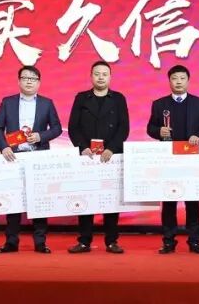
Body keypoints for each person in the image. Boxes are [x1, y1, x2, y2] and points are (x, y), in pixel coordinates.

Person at [0, 65, 63, 254]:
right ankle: (11, 242)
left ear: (39, 83)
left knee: (39, 200)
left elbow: (57, 128)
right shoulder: (8, 102)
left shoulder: (47, 103)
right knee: (13, 200)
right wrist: (4, 147)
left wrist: (41, 136)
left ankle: (40, 242)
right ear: (19, 81)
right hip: (14, 157)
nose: (29, 81)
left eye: (33, 78)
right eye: (25, 78)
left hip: (38, 158)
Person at [146, 65, 199, 254]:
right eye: (175, 78)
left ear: (188, 81)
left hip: (191, 159)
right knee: (169, 200)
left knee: (192, 201)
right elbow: (150, 128)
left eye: (182, 78)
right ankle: (168, 241)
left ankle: (195, 241)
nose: (179, 82)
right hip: (168, 160)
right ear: (169, 81)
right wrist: (159, 131)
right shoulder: (159, 104)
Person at [67, 60, 130, 254]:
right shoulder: (81, 98)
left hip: (111, 156)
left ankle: (112, 241)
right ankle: (84, 241)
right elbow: (73, 127)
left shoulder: (118, 98)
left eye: (104, 74)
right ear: (91, 76)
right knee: (85, 197)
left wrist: (112, 148)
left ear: (110, 77)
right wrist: (82, 147)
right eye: (97, 74)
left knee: (111, 199)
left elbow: (124, 127)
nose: (100, 77)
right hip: (87, 156)